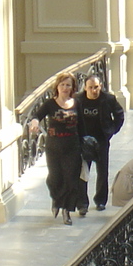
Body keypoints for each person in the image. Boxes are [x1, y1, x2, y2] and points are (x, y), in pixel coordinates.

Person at [28, 72, 87, 224]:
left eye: (68, 85)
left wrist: (85, 146)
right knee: (55, 178)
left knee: (71, 179)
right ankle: (56, 199)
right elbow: (36, 116)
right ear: (57, 87)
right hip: (54, 147)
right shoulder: (50, 104)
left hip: (72, 147)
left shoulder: (77, 104)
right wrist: (34, 123)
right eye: (62, 84)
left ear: (73, 87)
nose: (65, 88)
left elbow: (82, 127)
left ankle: (67, 210)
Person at [75, 74, 124, 213]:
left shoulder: (108, 99)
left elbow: (119, 115)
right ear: (85, 87)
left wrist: (112, 130)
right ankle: (82, 203)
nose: (93, 90)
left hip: (101, 140)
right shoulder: (78, 100)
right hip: (84, 141)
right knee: (83, 172)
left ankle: (101, 201)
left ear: (100, 86)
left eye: (96, 87)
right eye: (90, 87)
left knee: (102, 172)